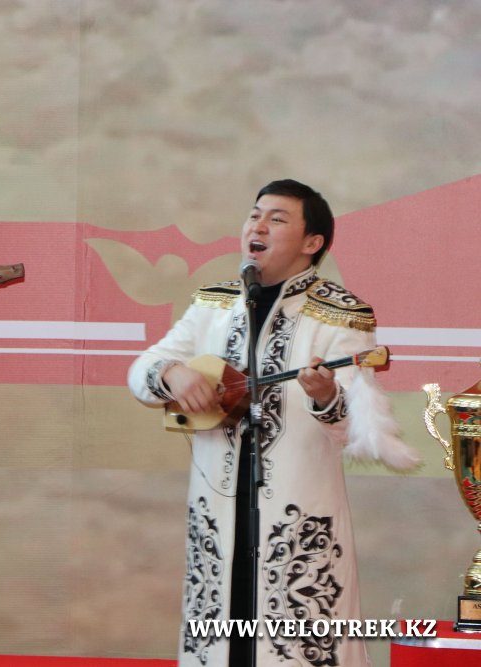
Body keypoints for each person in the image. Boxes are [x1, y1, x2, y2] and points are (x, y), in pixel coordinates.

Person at [127, 180, 418, 667]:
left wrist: (325, 396)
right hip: (219, 508)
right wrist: (172, 372)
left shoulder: (341, 314)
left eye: (277, 219)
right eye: (254, 215)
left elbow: (355, 429)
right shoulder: (214, 304)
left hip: (298, 517)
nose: (257, 227)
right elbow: (143, 371)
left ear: (312, 242)